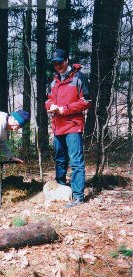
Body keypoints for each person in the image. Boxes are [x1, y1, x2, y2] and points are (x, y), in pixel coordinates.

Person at [45, 48, 91, 208]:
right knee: (59, 159)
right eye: (55, 63)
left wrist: (64, 109)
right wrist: (50, 106)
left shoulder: (79, 77)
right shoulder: (54, 81)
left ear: (66, 60)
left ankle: (78, 196)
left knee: (76, 161)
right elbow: (48, 100)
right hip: (58, 126)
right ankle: (60, 189)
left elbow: (86, 102)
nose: (57, 65)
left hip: (73, 125)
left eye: (60, 62)